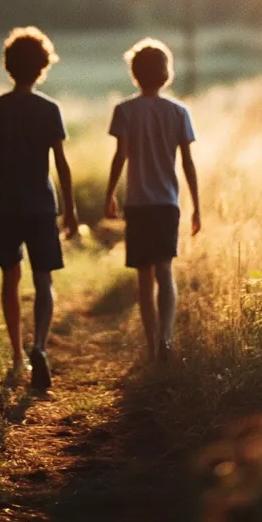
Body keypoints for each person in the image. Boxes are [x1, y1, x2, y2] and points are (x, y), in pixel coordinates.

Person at [0, 26, 79, 390]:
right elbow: (61, 165)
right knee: (43, 278)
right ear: (42, 67)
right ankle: (39, 347)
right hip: (40, 205)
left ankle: (17, 354)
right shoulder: (50, 109)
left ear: (8, 66)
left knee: (10, 276)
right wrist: (71, 208)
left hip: (6, 203)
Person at [104, 38, 200, 362]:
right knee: (165, 271)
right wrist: (197, 206)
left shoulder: (125, 111)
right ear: (166, 74)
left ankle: (149, 345)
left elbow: (121, 157)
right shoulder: (178, 112)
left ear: (134, 74)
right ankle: (167, 337)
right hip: (167, 204)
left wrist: (109, 194)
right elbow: (187, 163)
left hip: (138, 204)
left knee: (144, 278)